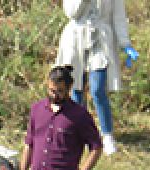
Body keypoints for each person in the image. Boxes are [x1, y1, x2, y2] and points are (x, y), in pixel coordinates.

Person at [56, 0, 140, 155]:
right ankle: (78, 132)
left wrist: (125, 43)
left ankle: (107, 135)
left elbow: (118, 16)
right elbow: (71, 12)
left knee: (97, 88)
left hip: (101, 39)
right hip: (76, 37)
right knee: (76, 87)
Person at [21, 65, 103, 170]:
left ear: (69, 87)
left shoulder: (80, 115)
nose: (55, 95)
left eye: (59, 91)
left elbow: (96, 148)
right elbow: (29, 145)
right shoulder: (37, 109)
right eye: (51, 90)